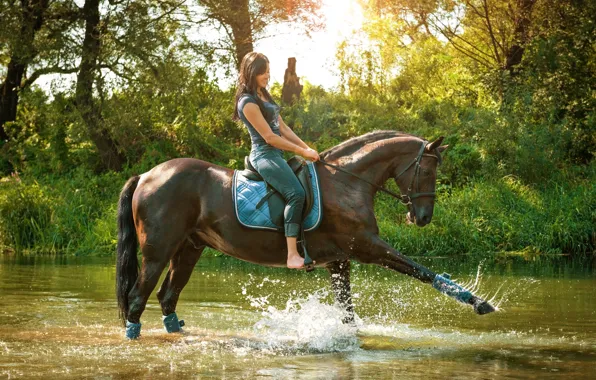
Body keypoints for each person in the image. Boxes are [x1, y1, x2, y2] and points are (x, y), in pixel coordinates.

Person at [233, 52, 320, 269]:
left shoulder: (264, 94)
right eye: (263, 72)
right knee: (296, 194)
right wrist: (301, 151)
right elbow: (271, 138)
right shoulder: (247, 102)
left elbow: (283, 128)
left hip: (277, 155)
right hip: (264, 155)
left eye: (268, 72)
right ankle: (292, 254)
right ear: (251, 72)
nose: (267, 76)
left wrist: (306, 148)